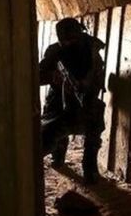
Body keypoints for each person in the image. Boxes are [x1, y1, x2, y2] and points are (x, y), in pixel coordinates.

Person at [39, 17, 107, 184]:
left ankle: (90, 167)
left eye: (71, 40)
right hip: (57, 101)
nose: (68, 44)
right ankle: (58, 152)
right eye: (64, 41)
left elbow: (97, 80)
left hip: (85, 101)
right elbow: (38, 75)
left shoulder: (91, 51)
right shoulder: (55, 51)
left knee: (95, 117)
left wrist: (83, 85)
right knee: (48, 136)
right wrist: (52, 77)